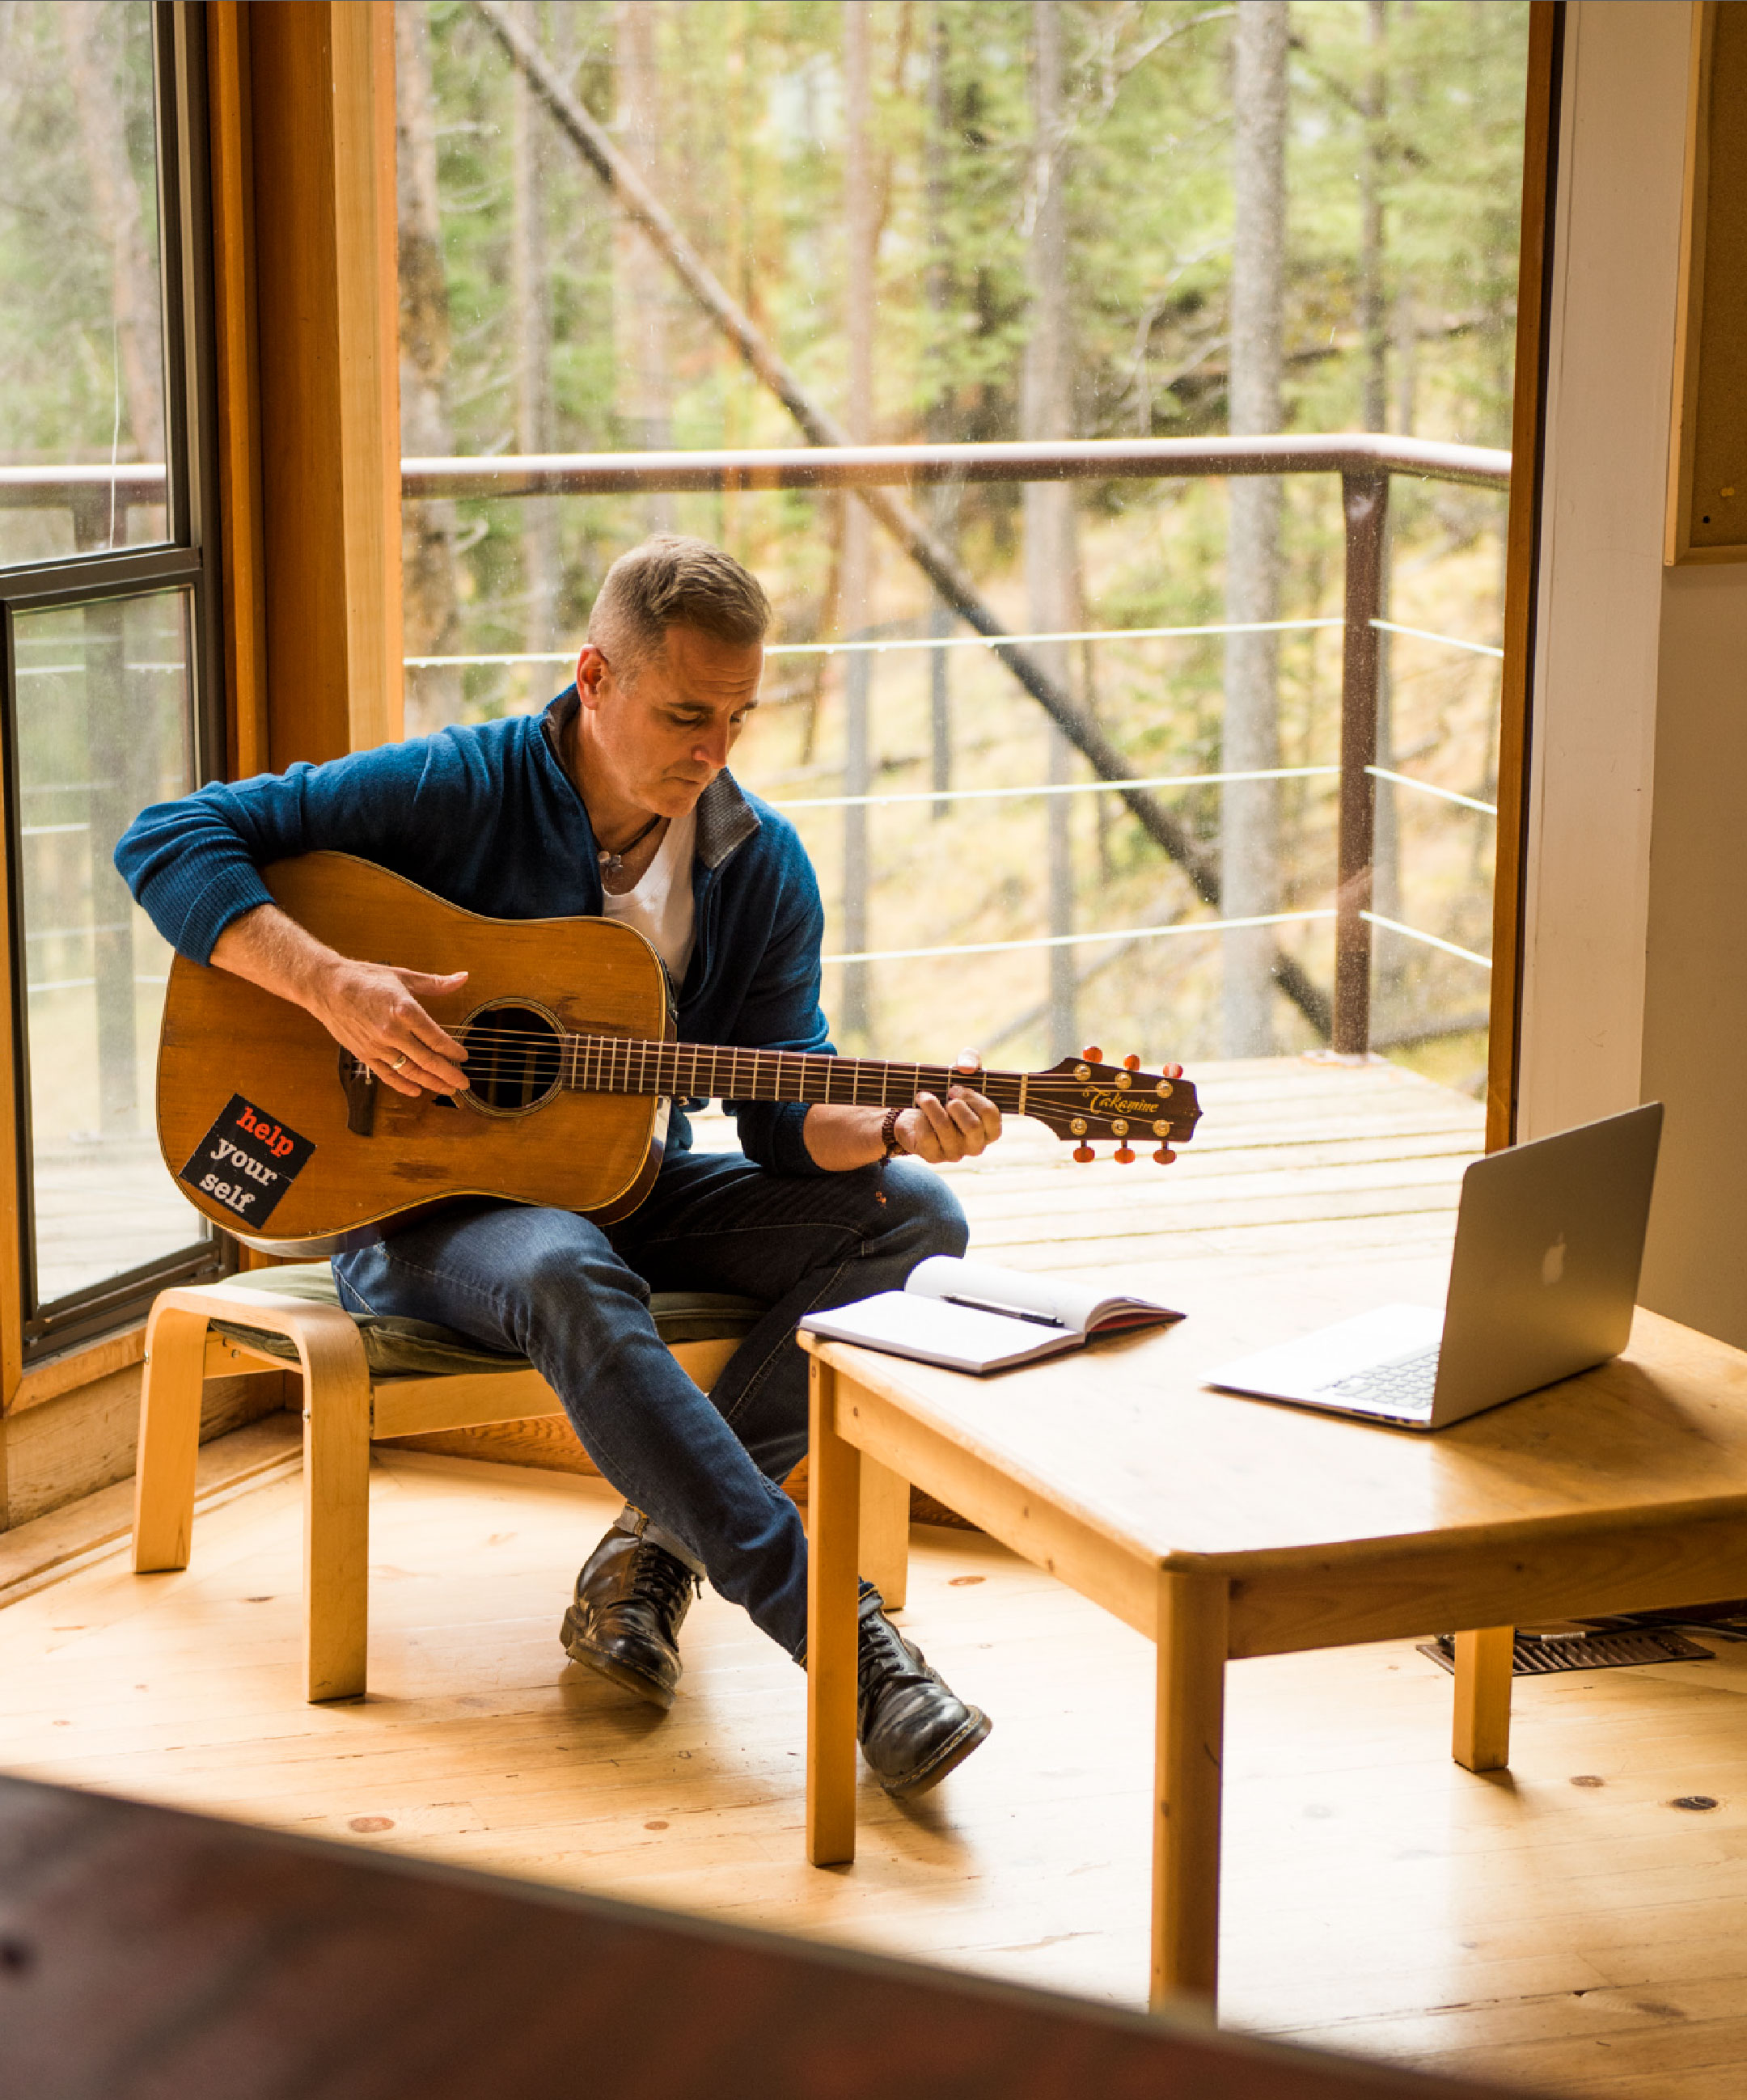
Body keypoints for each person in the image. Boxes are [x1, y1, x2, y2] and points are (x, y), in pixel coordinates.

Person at [116, 535, 1000, 1798]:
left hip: (622, 1182)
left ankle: (657, 1541)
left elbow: (781, 1110)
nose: (717, 749)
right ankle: (849, 1649)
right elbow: (169, 834)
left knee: (913, 1216)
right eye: (687, 712)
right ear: (594, 675)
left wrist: (898, 1127)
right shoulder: (458, 787)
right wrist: (334, 986)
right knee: (570, 1271)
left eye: (741, 715)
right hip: (424, 1211)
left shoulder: (756, 867)